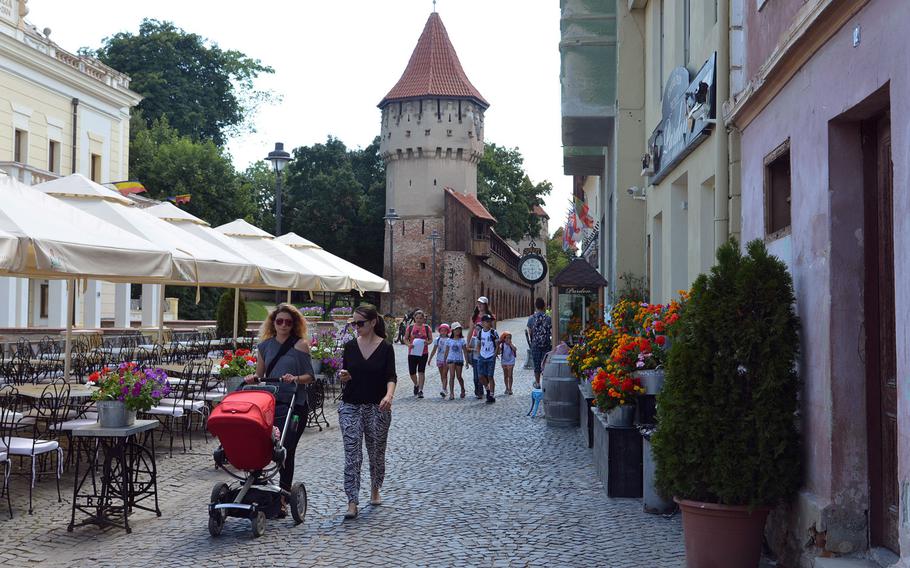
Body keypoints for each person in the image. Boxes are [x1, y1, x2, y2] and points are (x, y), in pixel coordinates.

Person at [244, 303, 315, 517]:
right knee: (267, 448)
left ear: (294, 325)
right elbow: (260, 375)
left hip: (295, 405)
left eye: (288, 322)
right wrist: (251, 379)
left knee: (287, 450)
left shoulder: (301, 345)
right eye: (279, 321)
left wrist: (295, 378)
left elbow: (310, 376)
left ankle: (284, 496)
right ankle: (264, 489)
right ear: (273, 323)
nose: (283, 325)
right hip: (273, 403)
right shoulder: (265, 346)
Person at [337, 304, 396, 520]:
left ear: (372, 323)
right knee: (352, 455)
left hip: (377, 406)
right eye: (353, 323)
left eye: (360, 323)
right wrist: (344, 375)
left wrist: (388, 396)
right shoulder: (350, 346)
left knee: (376, 452)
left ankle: (375, 488)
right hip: (351, 405)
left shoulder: (386, 347)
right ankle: (352, 501)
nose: (356, 327)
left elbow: (391, 376)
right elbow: (347, 372)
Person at [467, 296, 495, 399]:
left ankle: (487, 389)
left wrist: (495, 347)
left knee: (486, 371)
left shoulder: (490, 317)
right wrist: (467, 344)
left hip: (487, 344)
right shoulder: (474, 317)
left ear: (486, 305)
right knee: (476, 368)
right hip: (476, 342)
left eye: (481, 303)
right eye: (478, 303)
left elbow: (494, 332)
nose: (479, 305)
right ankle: (479, 390)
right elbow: (470, 331)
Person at [404, 310, 433, 399]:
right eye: (417, 318)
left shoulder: (427, 328)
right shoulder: (410, 327)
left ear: (424, 319)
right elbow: (405, 339)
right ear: (414, 318)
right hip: (412, 352)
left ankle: (420, 390)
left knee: (421, 371)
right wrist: (409, 345)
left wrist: (427, 343)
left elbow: (431, 339)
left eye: (421, 318)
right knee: (412, 372)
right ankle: (416, 384)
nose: (419, 320)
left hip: (423, 353)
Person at [527, 297, 553, 388]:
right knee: (545, 364)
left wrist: (533, 340)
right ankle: (545, 382)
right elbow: (551, 331)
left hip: (535, 344)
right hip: (546, 344)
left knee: (536, 365)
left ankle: (537, 383)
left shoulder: (531, 318)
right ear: (544, 306)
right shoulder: (549, 318)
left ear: (536, 306)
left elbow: (530, 332)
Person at [475, 314, 500, 403]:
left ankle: (491, 395)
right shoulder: (480, 333)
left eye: (490, 321)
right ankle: (487, 389)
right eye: (487, 321)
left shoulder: (494, 332)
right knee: (481, 376)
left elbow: (497, 345)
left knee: (490, 376)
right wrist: (479, 354)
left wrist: (494, 355)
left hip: (490, 357)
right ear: (482, 323)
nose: (489, 323)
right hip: (482, 356)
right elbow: (478, 344)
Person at [443, 322, 470, 400]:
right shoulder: (449, 340)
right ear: (452, 331)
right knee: (452, 376)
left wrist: (467, 362)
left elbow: (465, 351)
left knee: (459, 376)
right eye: (456, 329)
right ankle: (452, 393)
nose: (458, 331)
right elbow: (446, 351)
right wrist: (444, 360)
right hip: (451, 359)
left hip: (459, 360)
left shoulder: (462, 340)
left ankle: (462, 389)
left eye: (459, 329)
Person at [428, 323, 451, 398]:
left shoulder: (449, 340)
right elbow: (434, 350)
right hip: (439, 359)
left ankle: (444, 389)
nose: (443, 332)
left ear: (447, 331)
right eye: (442, 330)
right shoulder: (437, 340)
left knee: (444, 374)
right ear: (440, 331)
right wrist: (430, 358)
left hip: (447, 359)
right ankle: (444, 388)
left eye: (445, 330)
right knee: (442, 375)